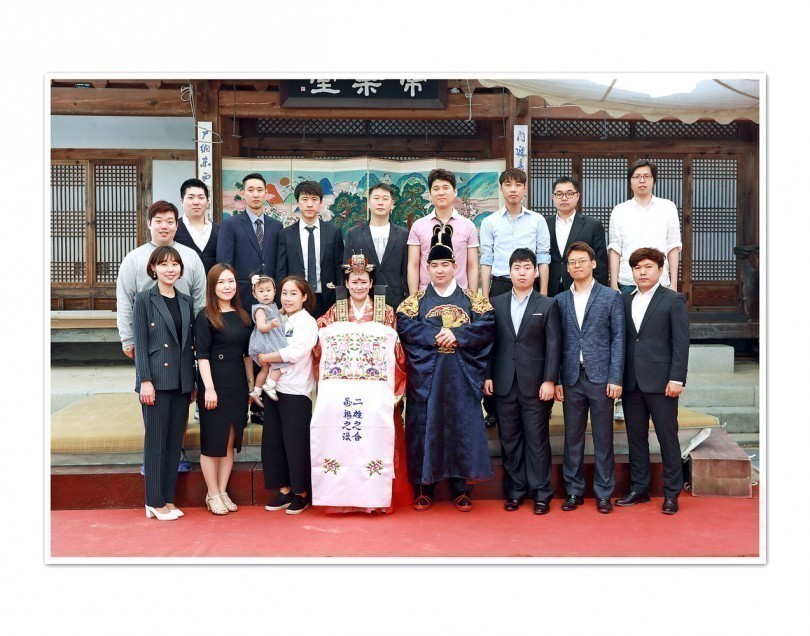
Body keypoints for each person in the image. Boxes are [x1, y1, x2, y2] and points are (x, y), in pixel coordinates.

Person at [397, 225, 495, 512]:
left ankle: (461, 488)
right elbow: (405, 327)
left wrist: (458, 335)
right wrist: (435, 335)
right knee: (424, 427)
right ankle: (424, 487)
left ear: (455, 266)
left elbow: (487, 326)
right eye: (434, 265)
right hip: (428, 378)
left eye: (445, 265)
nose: (439, 270)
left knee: (461, 428)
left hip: (461, 376)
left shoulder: (474, 300)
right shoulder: (414, 302)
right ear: (426, 268)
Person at [310, 253, 408, 513]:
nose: (359, 286)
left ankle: (376, 500)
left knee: (374, 440)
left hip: (375, 394)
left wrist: (394, 388)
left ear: (371, 283)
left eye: (364, 281)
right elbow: (319, 343)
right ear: (347, 283)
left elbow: (397, 352)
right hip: (344, 393)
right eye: (354, 281)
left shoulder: (386, 312)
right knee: (344, 442)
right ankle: (342, 498)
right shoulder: (336, 312)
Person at [116, 200, 206, 473]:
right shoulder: (134, 259)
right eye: (158, 221)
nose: (164, 226)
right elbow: (124, 299)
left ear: (177, 225)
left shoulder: (190, 257)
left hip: (182, 339)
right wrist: (127, 338)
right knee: (151, 397)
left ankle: (176, 452)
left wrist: (200, 337)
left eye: (170, 221)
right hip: (150, 341)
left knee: (180, 397)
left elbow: (200, 300)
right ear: (149, 224)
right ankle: (154, 458)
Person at [484, 248, 562, 515]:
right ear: (509, 272)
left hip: (536, 385)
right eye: (516, 268)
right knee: (510, 440)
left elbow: (554, 345)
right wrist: (488, 375)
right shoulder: (496, 303)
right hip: (504, 383)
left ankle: (541, 494)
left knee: (537, 441)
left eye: (527, 267)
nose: (522, 273)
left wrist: (550, 380)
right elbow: (489, 344)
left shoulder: (547, 304)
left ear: (536, 272)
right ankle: (515, 492)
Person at [615, 248, 689, 515]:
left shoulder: (673, 300)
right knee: (636, 438)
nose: (642, 272)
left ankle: (671, 493)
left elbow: (681, 342)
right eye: (637, 268)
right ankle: (639, 488)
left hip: (662, 382)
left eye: (648, 267)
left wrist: (677, 378)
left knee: (668, 438)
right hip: (631, 382)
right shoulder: (624, 300)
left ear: (660, 270)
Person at [607, 159, 681, 422]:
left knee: (659, 339)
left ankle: (659, 393)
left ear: (653, 180)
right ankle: (623, 399)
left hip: (661, 283)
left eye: (646, 176)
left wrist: (673, 282)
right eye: (637, 176)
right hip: (628, 282)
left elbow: (673, 246)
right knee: (626, 341)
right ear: (630, 181)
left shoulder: (667, 207)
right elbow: (614, 247)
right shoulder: (620, 210)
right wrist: (614, 284)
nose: (641, 180)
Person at [554, 241, 624, 514]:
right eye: (572, 262)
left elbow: (618, 339)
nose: (577, 266)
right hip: (572, 377)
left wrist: (615, 378)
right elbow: (556, 343)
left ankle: (604, 493)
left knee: (603, 437)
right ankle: (574, 491)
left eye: (582, 261)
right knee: (572, 438)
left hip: (601, 377)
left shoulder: (610, 297)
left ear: (593, 263)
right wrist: (558, 379)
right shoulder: (560, 300)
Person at [132, 246, 196, 521]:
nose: (170, 269)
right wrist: (145, 381)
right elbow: (141, 343)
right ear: (153, 268)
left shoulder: (185, 300)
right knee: (156, 442)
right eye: (164, 264)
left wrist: (191, 382)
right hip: (156, 380)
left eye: (175, 264)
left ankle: (167, 499)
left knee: (173, 443)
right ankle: (153, 501)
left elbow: (188, 345)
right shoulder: (144, 299)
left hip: (181, 381)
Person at [195, 263, 256, 515]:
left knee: (230, 440)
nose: (227, 286)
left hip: (237, 383)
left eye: (230, 281)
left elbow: (247, 355)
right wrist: (208, 388)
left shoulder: (244, 316)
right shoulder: (205, 316)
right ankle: (211, 493)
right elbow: (202, 356)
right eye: (221, 282)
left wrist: (251, 386)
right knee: (213, 441)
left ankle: (222, 491)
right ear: (212, 286)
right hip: (214, 382)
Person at [258, 276, 319, 515]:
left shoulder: (308, 322)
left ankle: (301, 493)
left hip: (296, 390)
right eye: (284, 293)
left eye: (294, 294)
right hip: (273, 389)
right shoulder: (278, 319)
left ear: (304, 297)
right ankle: (283, 490)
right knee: (273, 443)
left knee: (295, 444)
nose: (288, 298)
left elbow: (295, 353)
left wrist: (266, 358)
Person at [276, 180, 344, 320]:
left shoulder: (333, 232)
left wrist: (340, 299)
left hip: (327, 299)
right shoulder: (286, 234)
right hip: (296, 300)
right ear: (297, 202)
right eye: (304, 199)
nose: (309, 204)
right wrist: (282, 302)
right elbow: (281, 270)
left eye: (314, 199)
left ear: (320, 202)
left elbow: (339, 267)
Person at [216, 172, 283, 314]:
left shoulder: (276, 226)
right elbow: (224, 263)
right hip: (241, 296)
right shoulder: (230, 224)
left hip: (271, 297)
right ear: (243, 193)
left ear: (266, 193)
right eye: (250, 190)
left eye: (259, 190)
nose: (255, 195)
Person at [480, 167, 551, 299]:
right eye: (508, 184)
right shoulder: (489, 222)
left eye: (518, 185)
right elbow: (486, 259)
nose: (513, 189)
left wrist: (543, 292)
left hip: (530, 284)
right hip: (501, 284)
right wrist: (484, 296)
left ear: (524, 188)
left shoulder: (538, 220)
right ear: (501, 188)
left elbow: (543, 257)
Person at [407, 168, 479, 295]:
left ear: (455, 192)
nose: (441, 192)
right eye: (436, 189)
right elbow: (413, 265)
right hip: (426, 296)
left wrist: (472, 299)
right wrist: (414, 299)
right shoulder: (418, 226)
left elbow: (473, 266)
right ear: (430, 194)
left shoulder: (468, 226)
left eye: (446, 188)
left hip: (460, 296)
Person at [343, 182, 409, 310]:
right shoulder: (354, 234)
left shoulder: (403, 234)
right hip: (363, 298)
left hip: (395, 299)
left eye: (385, 199)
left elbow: (406, 271)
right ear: (368, 203)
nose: (380, 203)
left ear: (392, 204)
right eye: (376, 198)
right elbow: (347, 270)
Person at [545, 177, 608, 297]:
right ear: (553, 197)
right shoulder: (543, 223)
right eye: (559, 194)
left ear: (577, 196)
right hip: (550, 288)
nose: (564, 198)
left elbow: (601, 263)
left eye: (569, 194)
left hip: (582, 288)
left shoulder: (593, 225)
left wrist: (599, 294)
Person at [247, 274, 288, 405]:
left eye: (268, 290)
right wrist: (271, 325)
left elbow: (276, 313)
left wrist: (283, 311)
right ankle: (270, 384)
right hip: (265, 341)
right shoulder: (260, 309)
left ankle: (256, 391)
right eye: (261, 291)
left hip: (271, 338)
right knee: (281, 362)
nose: (265, 294)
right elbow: (261, 327)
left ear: (274, 292)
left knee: (265, 369)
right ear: (254, 294)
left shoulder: (272, 305)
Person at [174, 178, 220, 273]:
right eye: (191, 197)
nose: (196, 202)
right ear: (181, 201)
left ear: (208, 202)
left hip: (213, 282)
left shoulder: (220, 230)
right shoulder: (173, 228)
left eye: (201, 197)